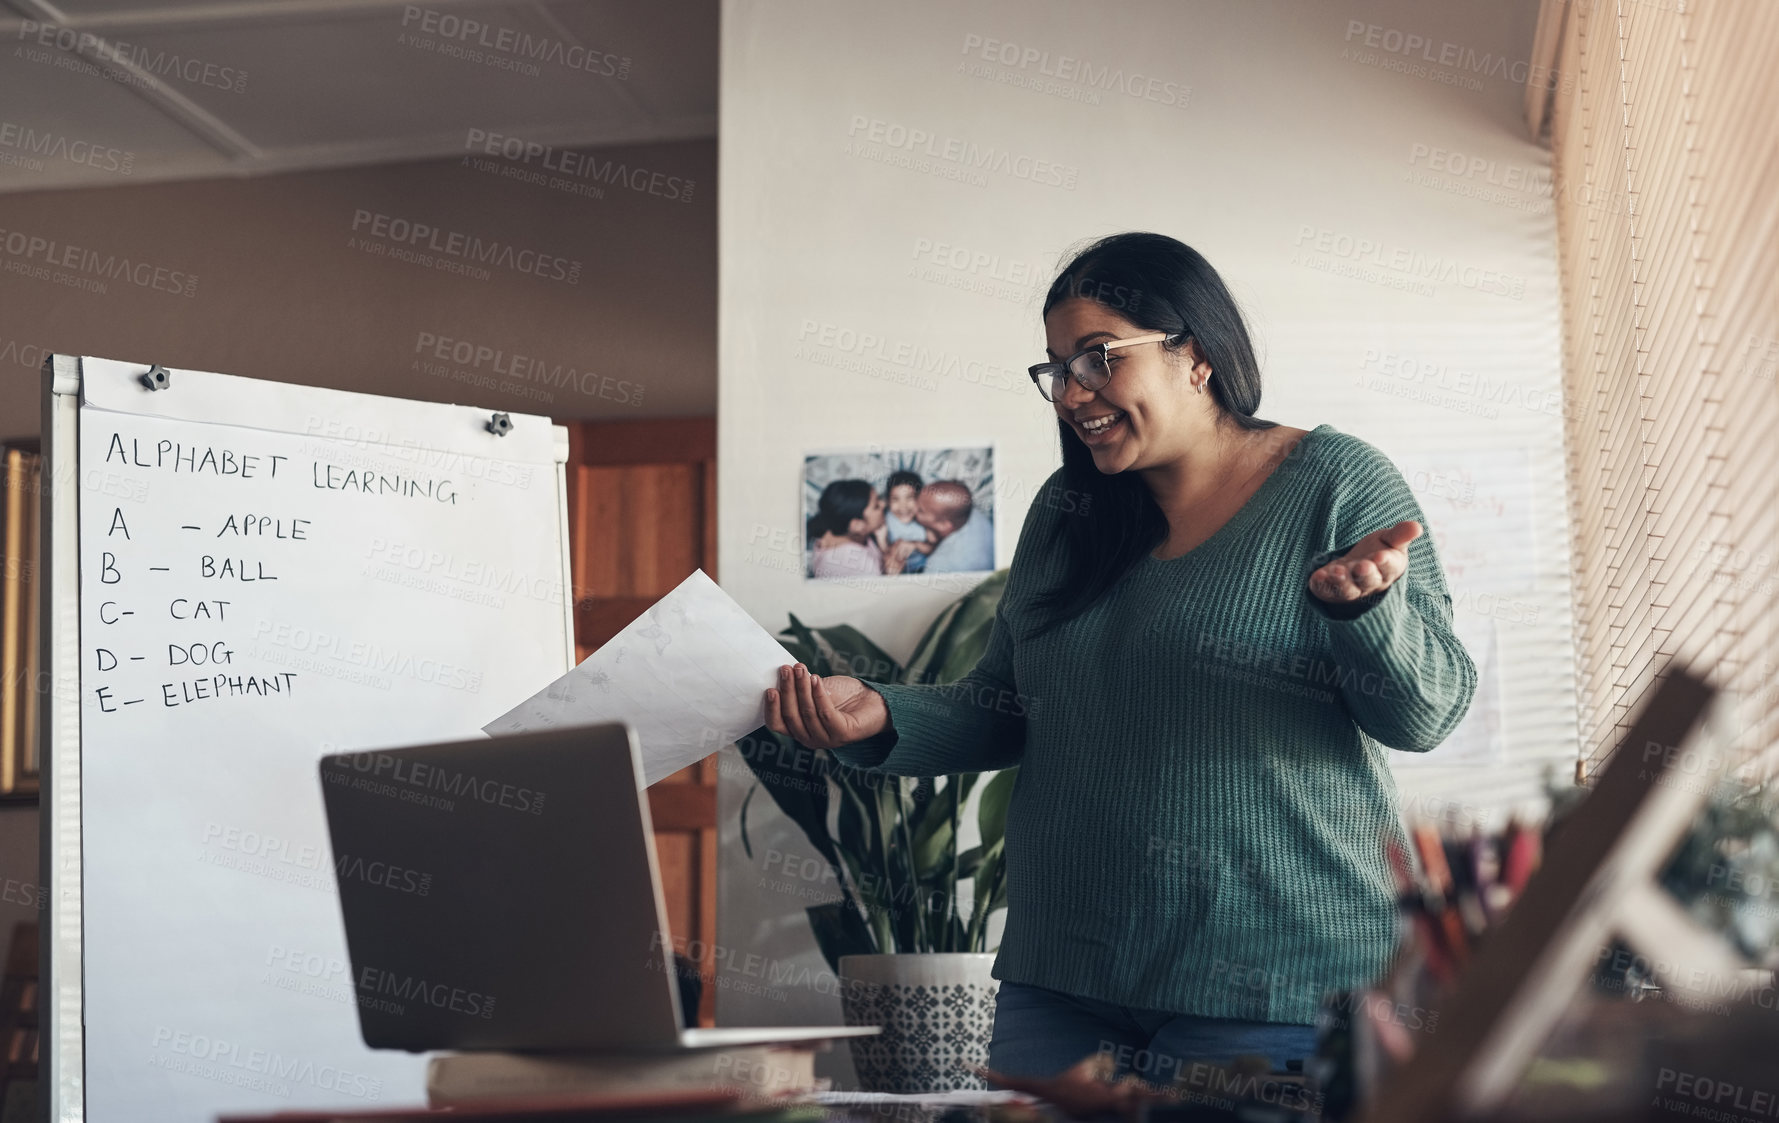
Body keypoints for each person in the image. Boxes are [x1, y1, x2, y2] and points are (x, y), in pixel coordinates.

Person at [763, 232, 1476, 1080]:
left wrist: (1368, 613)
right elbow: (1005, 703)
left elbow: (1426, 712)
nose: (1071, 392)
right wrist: (880, 711)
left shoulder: (1335, 481)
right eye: (1056, 368)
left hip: (1275, 979)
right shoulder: (1069, 512)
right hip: (1062, 977)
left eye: (1097, 358)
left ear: (1196, 355)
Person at [807, 479, 918, 578]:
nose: (883, 504)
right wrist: (891, 577)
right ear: (857, 526)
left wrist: (883, 546)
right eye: (876, 506)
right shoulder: (856, 565)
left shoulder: (834, 532)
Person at [916, 480, 995, 574]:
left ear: (943, 525)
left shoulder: (938, 566)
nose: (913, 509)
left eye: (920, 510)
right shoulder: (966, 510)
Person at [877, 470, 936, 574]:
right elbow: (885, 554)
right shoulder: (885, 521)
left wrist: (916, 545)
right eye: (895, 499)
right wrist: (884, 544)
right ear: (888, 502)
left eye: (909, 498)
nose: (903, 506)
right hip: (898, 572)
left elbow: (933, 548)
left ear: (920, 499)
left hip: (923, 569)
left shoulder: (924, 519)